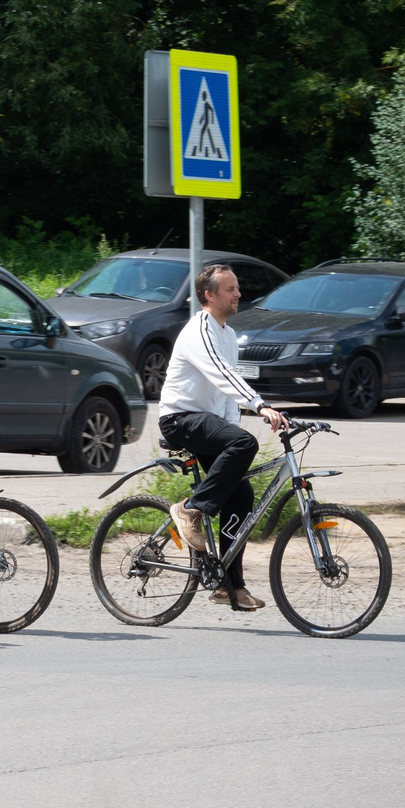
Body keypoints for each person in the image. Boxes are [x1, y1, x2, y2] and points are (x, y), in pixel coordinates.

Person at [153, 261, 289, 612]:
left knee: (241, 493)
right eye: (231, 289)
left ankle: (230, 584)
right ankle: (191, 509)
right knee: (245, 445)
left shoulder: (227, 334)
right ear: (209, 295)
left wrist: (237, 432)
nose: (238, 294)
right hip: (179, 419)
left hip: (206, 421)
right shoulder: (200, 330)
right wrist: (261, 406)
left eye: (237, 288)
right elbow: (223, 375)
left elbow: (228, 395)